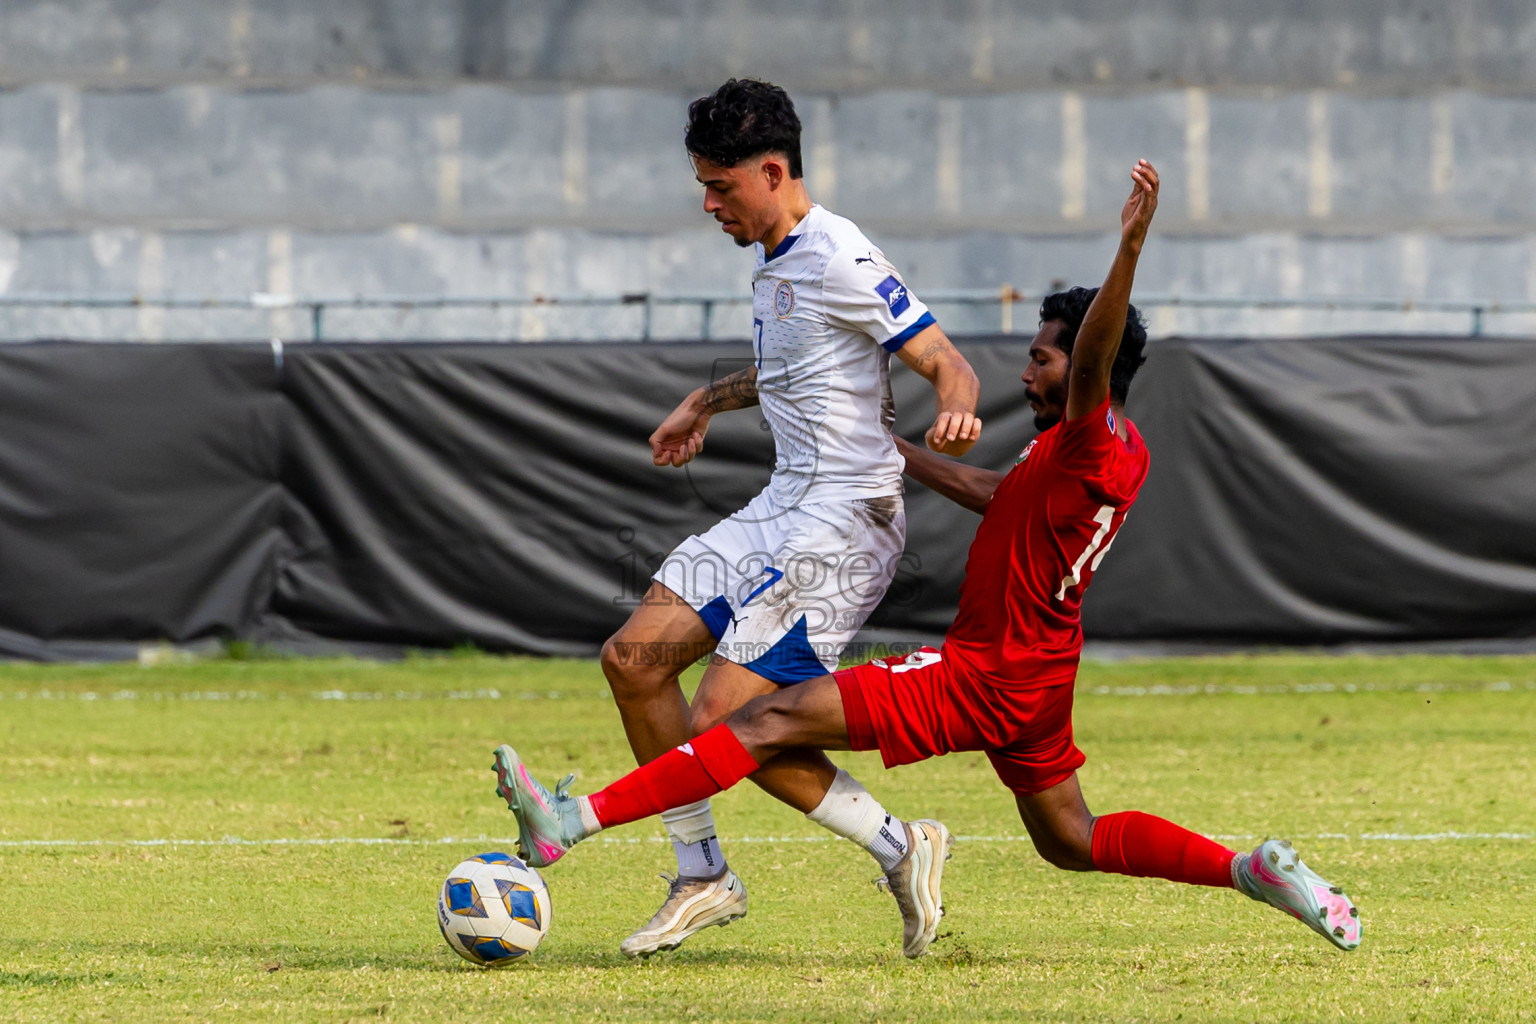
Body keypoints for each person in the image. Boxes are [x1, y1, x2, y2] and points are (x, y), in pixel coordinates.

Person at [494, 159, 1363, 959]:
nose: (1029, 373)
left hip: (984, 670)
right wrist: (896, 451)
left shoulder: (1094, 436)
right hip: (1041, 675)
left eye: (1041, 358)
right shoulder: (1076, 453)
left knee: (753, 722)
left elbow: (1092, 356)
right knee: (1071, 839)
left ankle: (574, 820)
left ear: (1088, 371)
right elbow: (996, 496)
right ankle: (1248, 870)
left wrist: (1128, 249)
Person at [587, 78, 983, 958]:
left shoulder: (839, 253)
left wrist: (955, 404)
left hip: (845, 522)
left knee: (721, 727)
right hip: (781, 505)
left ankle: (899, 842)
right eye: (702, 183)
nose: (707, 203)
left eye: (720, 186)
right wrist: (704, 400)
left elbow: (942, 356)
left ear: (772, 170)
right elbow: (791, 369)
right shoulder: (777, 260)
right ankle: (702, 873)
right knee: (633, 663)